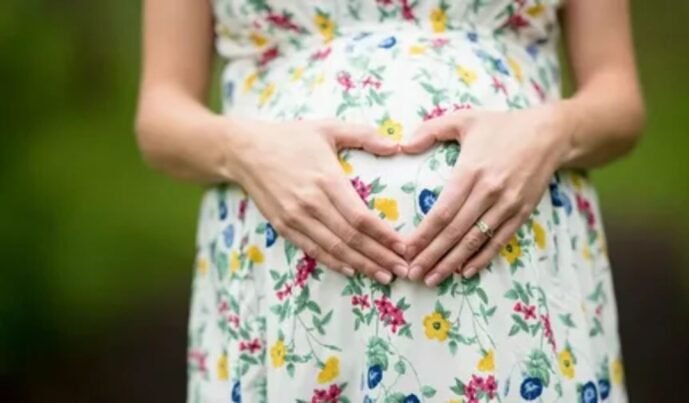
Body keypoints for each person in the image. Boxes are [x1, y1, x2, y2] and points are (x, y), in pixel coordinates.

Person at [136, 0, 644, 401]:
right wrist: (242, 150)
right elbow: (160, 114)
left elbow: (618, 97)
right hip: (278, 291)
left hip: (518, 271)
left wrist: (550, 131)